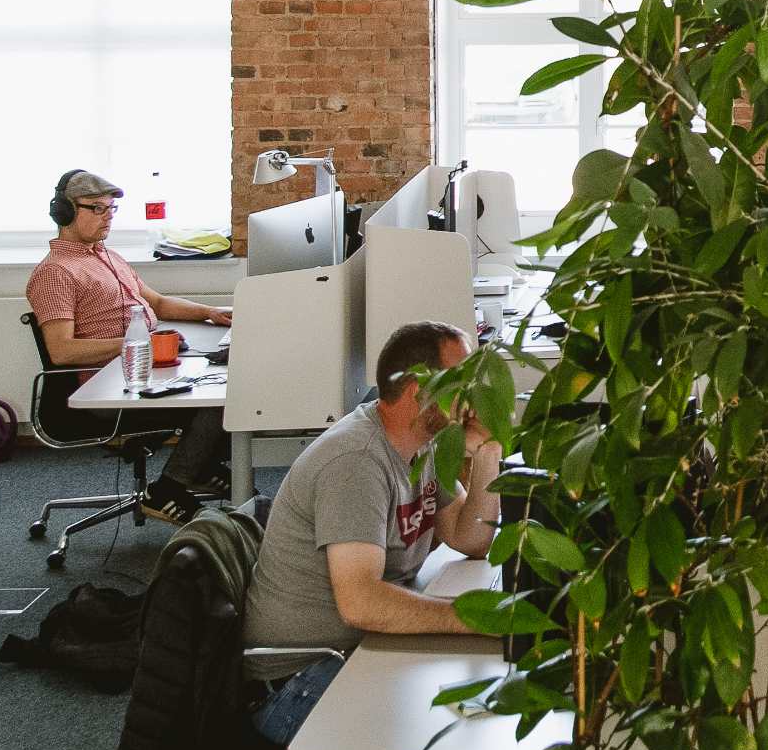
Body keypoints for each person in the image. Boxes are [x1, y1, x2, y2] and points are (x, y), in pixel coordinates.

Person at [243, 318, 502, 663]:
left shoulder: (423, 445)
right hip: (306, 673)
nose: (474, 395)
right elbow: (361, 603)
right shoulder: (356, 462)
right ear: (418, 390)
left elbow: (469, 538)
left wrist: (489, 451)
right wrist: (477, 617)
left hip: (362, 648)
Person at [25, 167, 234, 526]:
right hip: (106, 389)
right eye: (97, 209)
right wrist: (138, 343)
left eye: (111, 210)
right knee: (218, 403)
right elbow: (62, 351)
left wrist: (210, 312)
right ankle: (168, 489)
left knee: (226, 378)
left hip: (143, 370)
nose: (107, 218)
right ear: (65, 212)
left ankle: (197, 467)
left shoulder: (106, 257)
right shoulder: (56, 273)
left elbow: (158, 302)